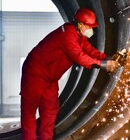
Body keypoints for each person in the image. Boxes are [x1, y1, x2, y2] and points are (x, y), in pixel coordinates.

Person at [20, 8, 119, 140]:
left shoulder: (79, 37)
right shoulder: (67, 35)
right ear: (80, 24)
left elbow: (90, 51)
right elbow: (80, 57)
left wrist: (109, 57)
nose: (91, 30)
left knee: (50, 111)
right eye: (89, 27)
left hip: (50, 78)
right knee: (29, 111)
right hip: (35, 72)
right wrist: (104, 65)